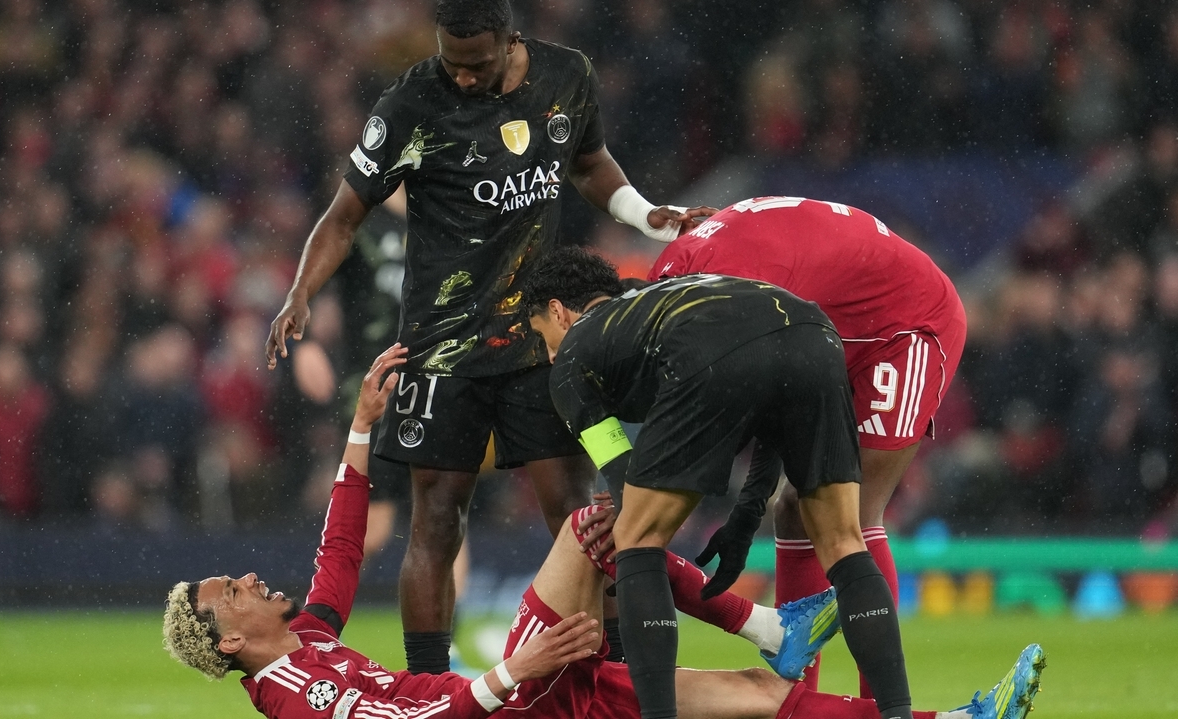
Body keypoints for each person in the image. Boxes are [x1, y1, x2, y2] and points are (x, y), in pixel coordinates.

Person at [163, 344, 1047, 719]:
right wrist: (518, 670)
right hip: (514, 700)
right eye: (229, 591)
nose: (244, 578)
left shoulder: (306, 634)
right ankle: (771, 624)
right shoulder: (285, 691)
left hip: (528, 696)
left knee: (753, 697)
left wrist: (362, 428)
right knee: (596, 524)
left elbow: (342, 549)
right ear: (229, 636)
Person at [263, 0, 713, 674]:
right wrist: (300, 293)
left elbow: (589, 164)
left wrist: (649, 216)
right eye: (452, 62)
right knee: (437, 520)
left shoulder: (566, 77)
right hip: (441, 350)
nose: (464, 78)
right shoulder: (412, 102)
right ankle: (430, 684)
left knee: (578, 512)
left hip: (541, 341)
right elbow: (343, 214)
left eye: (476, 64)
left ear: (511, 39)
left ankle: (612, 673)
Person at [523, 248, 915, 719]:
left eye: (542, 337)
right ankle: (898, 714)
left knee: (635, 539)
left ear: (558, 312)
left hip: (714, 344)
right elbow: (772, 397)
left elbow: (622, 479)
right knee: (845, 542)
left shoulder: (572, 359)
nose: (548, 354)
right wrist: (747, 512)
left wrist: (631, 516)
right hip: (813, 332)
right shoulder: (656, 298)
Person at [645, 196, 969, 693]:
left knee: (850, 514)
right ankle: (796, 695)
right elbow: (781, 392)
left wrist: (741, 508)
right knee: (795, 508)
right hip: (834, 327)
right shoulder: (680, 280)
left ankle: (878, 703)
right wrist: (750, 507)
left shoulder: (722, 304)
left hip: (905, 323)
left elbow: (772, 381)